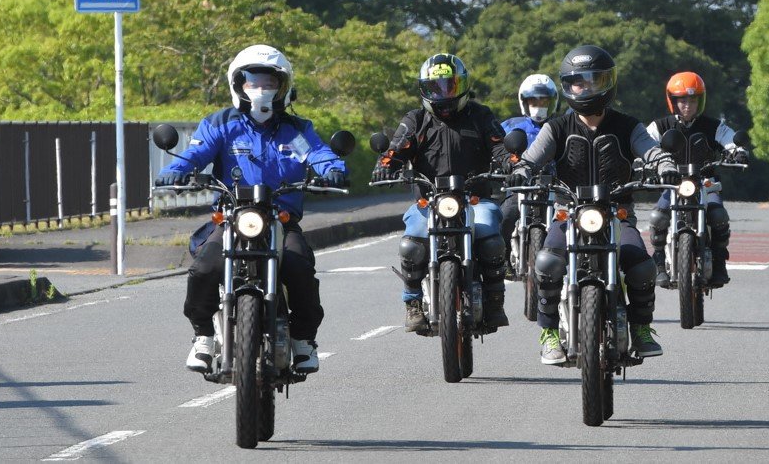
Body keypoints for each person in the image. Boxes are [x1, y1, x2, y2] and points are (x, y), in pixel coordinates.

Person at [155, 44, 347, 375]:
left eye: (270, 83)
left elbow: (318, 153)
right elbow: (195, 154)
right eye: (253, 82)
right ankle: (203, 336)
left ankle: (303, 341)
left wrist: (332, 167)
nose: (261, 90)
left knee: (300, 266)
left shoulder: (296, 130)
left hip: (281, 220)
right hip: (231, 218)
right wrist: (177, 170)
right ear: (238, 85)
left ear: (283, 87)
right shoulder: (222, 124)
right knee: (204, 269)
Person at [507, 45, 679, 365]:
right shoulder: (556, 127)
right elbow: (532, 157)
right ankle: (549, 334)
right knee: (547, 263)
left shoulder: (628, 126)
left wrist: (664, 164)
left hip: (617, 212)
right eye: (578, 82)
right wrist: (521, 171)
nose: (585, 88)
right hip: (568, 213)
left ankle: (641, 328)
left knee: (640, 265)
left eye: (593, 81)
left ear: (608, 83)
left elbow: (650, 149)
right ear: (567, 86)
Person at [371, 53, 510, 333]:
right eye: (436, 88)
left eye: (450, 86)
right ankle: (412, 303)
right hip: (429, 201)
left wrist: (513, 164)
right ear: (424, 89)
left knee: (491, 236)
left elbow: (500, 147)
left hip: (475, 198)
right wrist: (384, 167)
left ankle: (495, 300)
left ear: (463, 86)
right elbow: (394, 152)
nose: (444, 94)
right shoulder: (415, 120)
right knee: (412, 242)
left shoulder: (481, 115)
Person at [646, 71, 749, 289]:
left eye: (692, 100)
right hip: (673, 184)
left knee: (718, 214)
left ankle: (720, 263)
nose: (687, 105)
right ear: (672, 101)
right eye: (682, 100)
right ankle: (659, 264)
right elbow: (644, 146)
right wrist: (639, 161)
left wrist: (737, 151)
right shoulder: (659, 127)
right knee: (657, 217)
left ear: (700, 101)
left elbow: (730, 139)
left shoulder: (713, 126)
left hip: (706, 183)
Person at [499, 74, 560, 274]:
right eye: (533, 100)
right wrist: (505, 165)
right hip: (522, 186)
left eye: (544, 100)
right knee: (506, 215)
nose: (539, 104)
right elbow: (497, 149)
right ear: (524, 102)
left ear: (553, 102)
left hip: (556, 186)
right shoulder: (510, 126)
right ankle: (503, 256)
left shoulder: (562, 125)